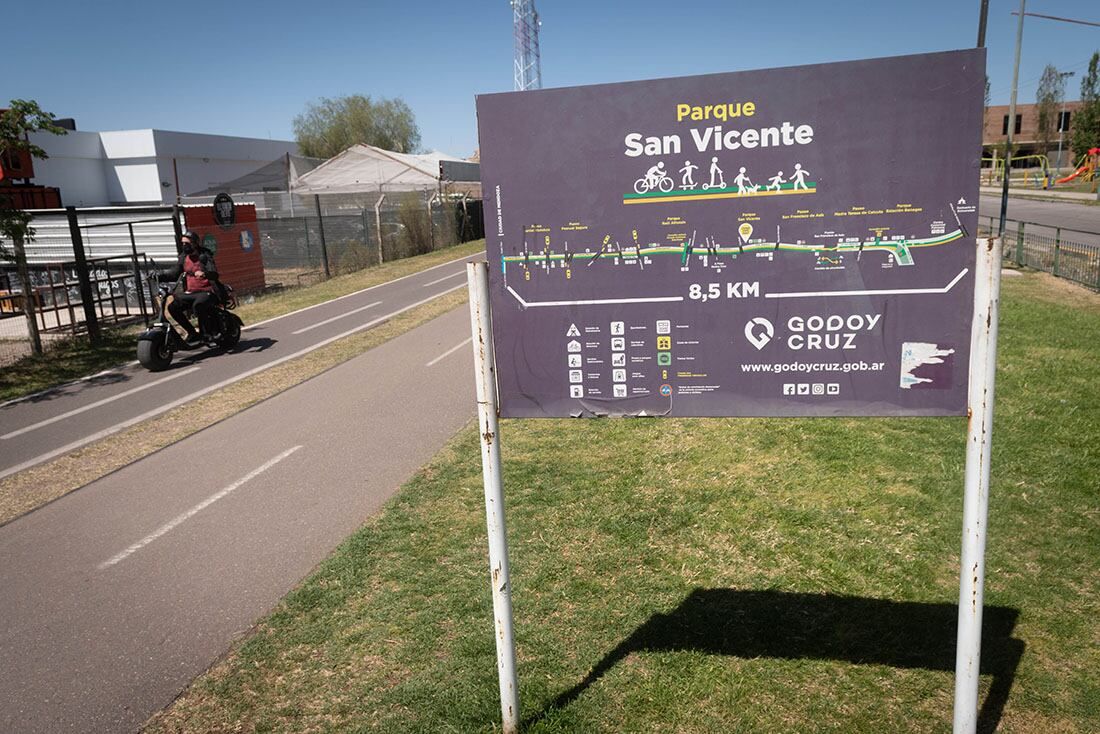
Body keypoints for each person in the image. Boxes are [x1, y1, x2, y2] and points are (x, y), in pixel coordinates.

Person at [160, 231, 220, 345]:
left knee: (199, 305)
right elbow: (174, 273)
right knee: (173, 307)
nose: (184, 246)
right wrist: (159, 275)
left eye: (187, 243)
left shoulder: (205, 255)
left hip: (207, 291)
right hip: (191, 292)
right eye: (182, 243)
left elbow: (214, 273)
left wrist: (205, 273)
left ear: (195, 243)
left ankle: (206, 334)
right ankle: (192, 333)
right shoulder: (183, 257)